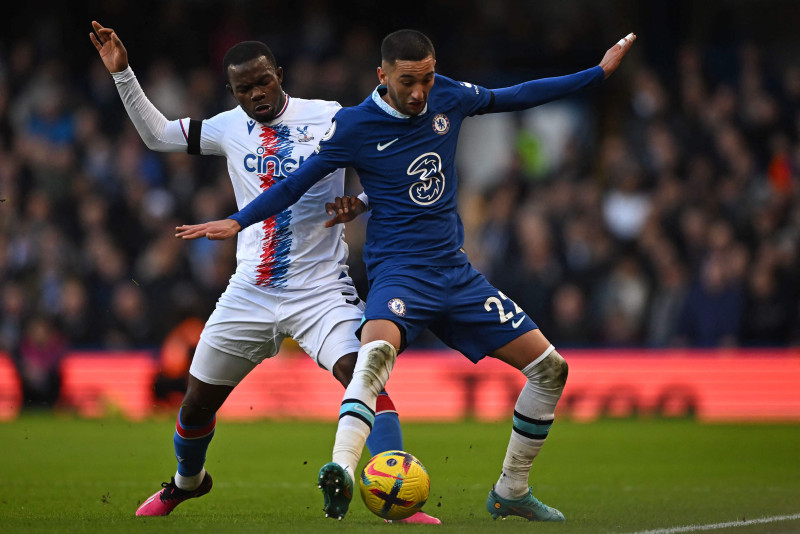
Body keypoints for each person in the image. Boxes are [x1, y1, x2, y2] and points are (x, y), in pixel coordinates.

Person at [176, 29, 637, 521]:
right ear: (383, 76)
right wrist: (238, 220)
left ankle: (511, 489)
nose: (420, 92)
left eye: (427, 79)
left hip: (455, 273)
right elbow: (295, 184)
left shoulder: (449, 97)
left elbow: (518, 95)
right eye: (408, 82)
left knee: (551, 370)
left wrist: (597, 73)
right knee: (371, 358)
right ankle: (342, 470)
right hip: (399, 275)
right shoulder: (353, 126)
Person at [89, 21, 440, 524]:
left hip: (320, 291)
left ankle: (399, 503)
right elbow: (157, 136)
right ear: (232, 91)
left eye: (263, 82)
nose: (255, 94)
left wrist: (359, 202)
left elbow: (391, 165)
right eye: (243, 88)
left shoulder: (331, 117)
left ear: (280, 74)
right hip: (249, 292)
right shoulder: (227, 127)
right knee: (195, 405)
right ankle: (189, 483)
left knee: (365, 378)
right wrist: (123, 73)